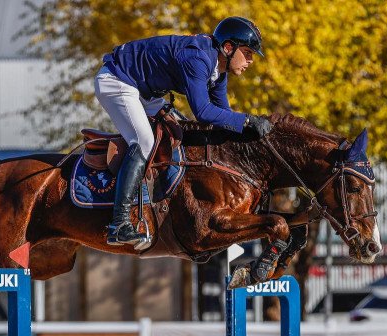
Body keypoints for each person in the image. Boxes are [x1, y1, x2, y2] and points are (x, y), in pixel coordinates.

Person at [95, 16, 273, 247]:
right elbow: (204, 112)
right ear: (229, 48)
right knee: (144, 142)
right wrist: (247, 120)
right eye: (248, 53)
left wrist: (245, 131)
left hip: (144, 92)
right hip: (117, 80)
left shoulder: (218, 68)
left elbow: (222, 114)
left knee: (179, 129)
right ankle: (119, 225)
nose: (250, 60)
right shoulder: (197, 58)